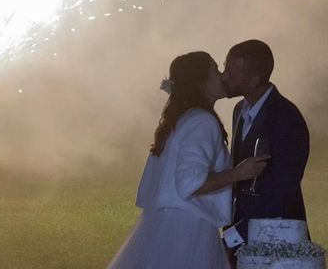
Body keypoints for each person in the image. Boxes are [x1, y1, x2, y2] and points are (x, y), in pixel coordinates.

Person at [107, 51, 268, 269]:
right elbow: (190, 184)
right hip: (187, 230)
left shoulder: (183, 119)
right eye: (215, 70)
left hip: (164, 230)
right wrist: (239, 173)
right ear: (201, 83)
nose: (223, 76)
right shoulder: (201, 122)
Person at [220, 40, 310, 261]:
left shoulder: (287, 118)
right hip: (241, 240)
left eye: (230, 73)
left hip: (278, 244)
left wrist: (232, 237)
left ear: (254, 79)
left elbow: (281, 193)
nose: (224, 77)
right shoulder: (239, 109)